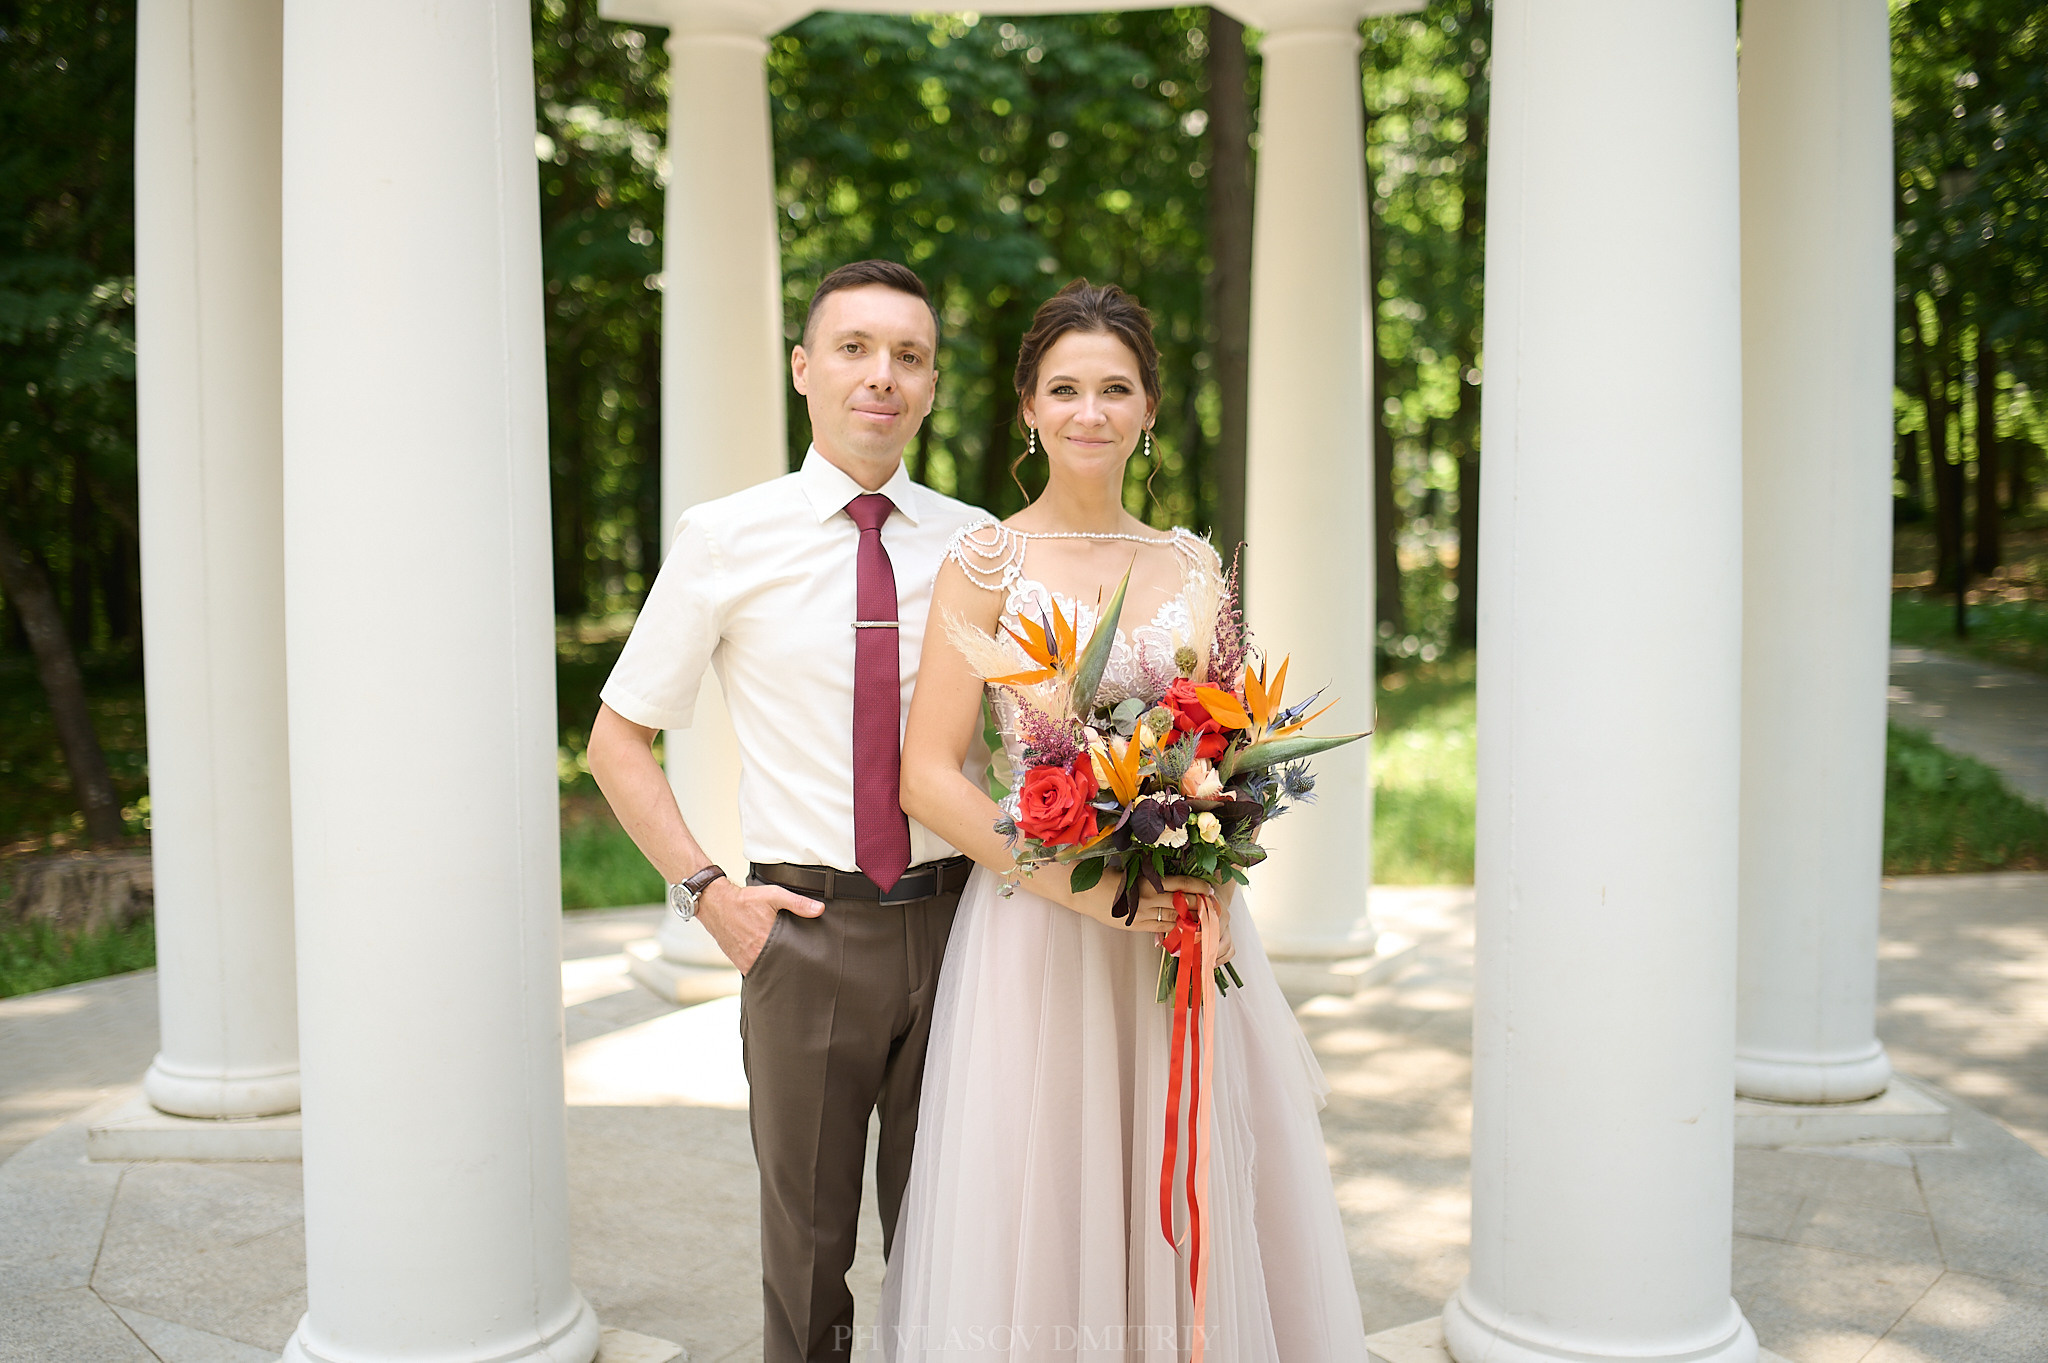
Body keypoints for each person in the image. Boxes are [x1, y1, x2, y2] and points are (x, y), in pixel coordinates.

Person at [882, 280, 1369, 1359]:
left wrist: (1212, 856)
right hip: (1042, 933)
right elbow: (928, 776)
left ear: (1149, 406)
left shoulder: (1192, 565)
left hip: (1181, 930)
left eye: (1114, 388)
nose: (1088, 412)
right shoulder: (986, 565)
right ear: (1027, 408)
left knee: (1194, 1179)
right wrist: (1090, 889)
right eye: (1064, 389)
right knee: (1050, 1191)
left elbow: (1220, 747)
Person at [588, 259, 995, 1363]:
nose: (882, 375)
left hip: (963, 929)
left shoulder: (978, 543)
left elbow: (1025, 731)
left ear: (932, 385)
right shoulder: (727, 536)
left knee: (956, 1244)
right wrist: (706, 892)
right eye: (855, 349)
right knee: (808, 1261)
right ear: (804, 367)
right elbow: (616, 740)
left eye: (909, 356)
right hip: (805, 936)